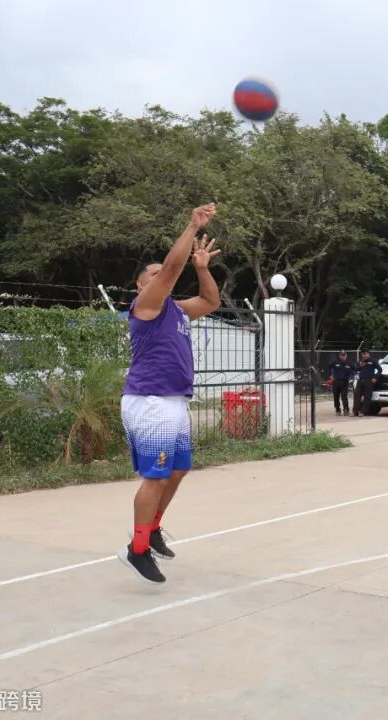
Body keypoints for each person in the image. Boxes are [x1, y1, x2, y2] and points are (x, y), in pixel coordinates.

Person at [118, 203, 221, 583]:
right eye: (154, 273)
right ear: (140, 285)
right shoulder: (145, 306)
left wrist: (203, 269)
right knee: (156, 477)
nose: (161, 275)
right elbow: (172, 269)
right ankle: (137, 548)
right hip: (150, 400)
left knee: (178, 470)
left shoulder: (176, 310)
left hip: (173, 400)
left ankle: (152, 529)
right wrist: (192, 227)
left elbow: (211, 302)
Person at [353, 350, 383, 416]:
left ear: (368, 354)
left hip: (369, 381)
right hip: (360, 380)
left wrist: (375, 378)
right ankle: (355, 411)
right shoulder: (361, 361)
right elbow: (355, 369)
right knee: (357, 395)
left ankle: (363, 412)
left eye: (365, 354)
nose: (364, 355)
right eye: (362, 354)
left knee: (367, 397)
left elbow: (380, 370)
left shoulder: (373, 361)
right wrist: (360, 366)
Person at [327, 351, 355, 416]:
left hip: (345, 382)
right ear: (339, 356)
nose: (343, 356)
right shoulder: (335, 362)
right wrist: (330, 375)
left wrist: (352, 376)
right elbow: (329, 367)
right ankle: (337, 410)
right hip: (336, 382)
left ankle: (346, 410)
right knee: (336, 396)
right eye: (342, 355)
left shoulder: (349, 363)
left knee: (344, 396)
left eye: (344, 355)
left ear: (346, 355)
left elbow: (355, 369)